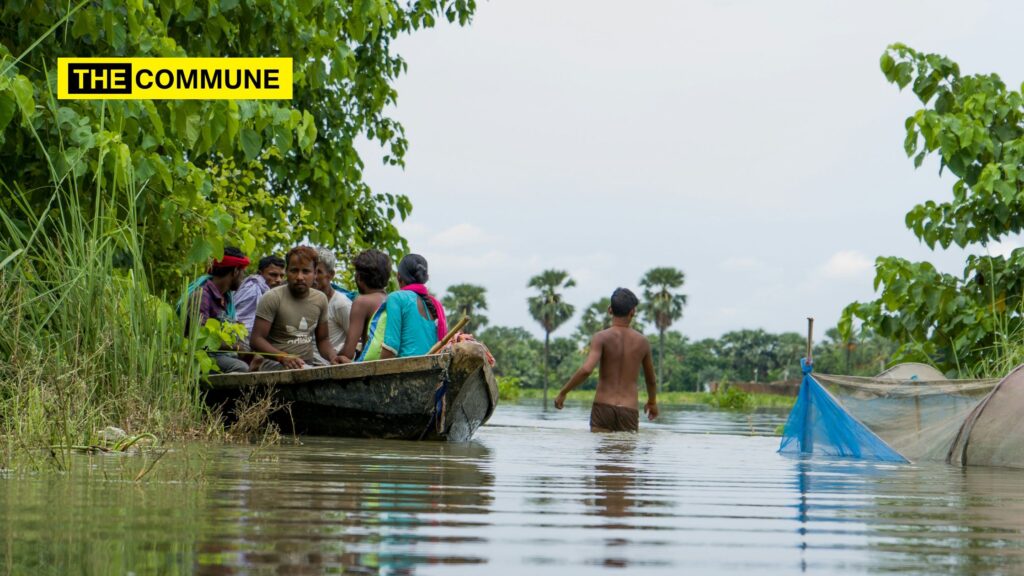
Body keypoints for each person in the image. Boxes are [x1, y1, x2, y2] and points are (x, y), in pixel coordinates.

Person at [554, 288, 658, 432]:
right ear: (633, 311)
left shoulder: (601, 337)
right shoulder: (642, 342)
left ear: (610, 310)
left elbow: (586, 370)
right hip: (629, 410)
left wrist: (563, 392)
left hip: (603, 407)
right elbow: (651, 380)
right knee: (624, 453)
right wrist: (652, 402)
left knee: (602, 453)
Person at [249, 246, 342, 370]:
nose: (299, 277)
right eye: (294, 270)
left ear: (314, 273)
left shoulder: (320, 299)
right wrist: (282, 357)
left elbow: (323, 339)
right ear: (287, 272)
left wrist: (333, 357)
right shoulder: (272, 297)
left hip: (307, 363)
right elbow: (256, 340)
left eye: (305, 271)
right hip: (276, 364)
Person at [362, 253, 447, 361]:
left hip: (405, 372)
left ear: (399, 276)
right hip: (431, 370)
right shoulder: (435, 304)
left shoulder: (396, 298)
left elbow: (390, 347)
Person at [183, 247, 251, 373]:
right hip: (200, 356)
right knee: (241, 368)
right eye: (243, 272)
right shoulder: (202, 296)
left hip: (217, 355)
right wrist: (235, 347)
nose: (243, 277)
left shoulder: (226, 298)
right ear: (235, 271)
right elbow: (199, 340)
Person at [337, 249, 391, 363]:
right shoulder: (391, 300)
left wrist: (334, 357)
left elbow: (348, 352)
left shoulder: (362, 302)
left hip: (371, 367)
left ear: (359, 278)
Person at [234, 254, 285, 339]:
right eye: (273, 275)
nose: (279, 280)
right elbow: (242, 322)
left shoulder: (269, 292)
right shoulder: (252, 289)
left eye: (282, 276)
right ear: (260, 274)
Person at [313, 247, 352, 358]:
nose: (314, 277)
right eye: (311, 271)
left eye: (318, 272)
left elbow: (354, 339)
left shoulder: (340, 304)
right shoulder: (306, 300)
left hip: (329, 365)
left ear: (331, 274)